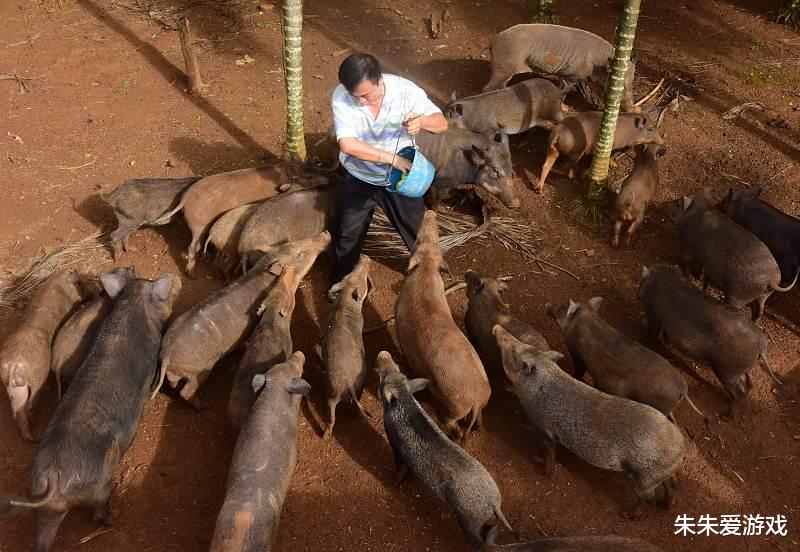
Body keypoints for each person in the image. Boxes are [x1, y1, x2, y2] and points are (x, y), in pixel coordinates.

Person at [329, 53, 448, 288]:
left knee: (417, 234)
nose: (362, 101)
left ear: (380, 79)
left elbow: (442, 123)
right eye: (356, 97)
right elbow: (347, 145)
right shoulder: (341, 97)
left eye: (366, 95)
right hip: (360, 176)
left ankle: (431, 282)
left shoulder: (406, 92)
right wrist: (391, 159)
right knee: (348, 235)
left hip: (400, 180)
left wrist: (421, 122)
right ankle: (341, 285)